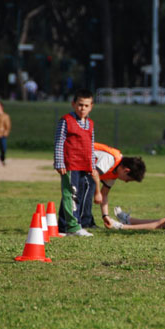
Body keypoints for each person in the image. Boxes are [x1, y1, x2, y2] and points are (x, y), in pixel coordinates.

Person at [54, 88, 101, 237]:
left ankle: (63, 227)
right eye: (80, 105)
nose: (83, 108)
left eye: (86, 106)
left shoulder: (90, 124)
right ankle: (74, 226)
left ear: (91, 106)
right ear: (73, 104)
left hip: (84, 165)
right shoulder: (66, 121)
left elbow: (90, 144)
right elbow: (59, 141)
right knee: (71, 194)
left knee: (77, 194)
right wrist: (59, 162)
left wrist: (92, 165)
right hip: (70, 164)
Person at [87, 142, 146, 229]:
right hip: (73, 157)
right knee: (87, 189)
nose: (126, 182)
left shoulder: (115, 172)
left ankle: (87, 222)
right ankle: (84, 223)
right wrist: (97, 192)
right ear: (126, 170)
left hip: (84, 173)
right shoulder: (110, 159)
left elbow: (104, 194)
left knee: (88, 188)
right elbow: (93, 174)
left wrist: (105, 216)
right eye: (128, 179)